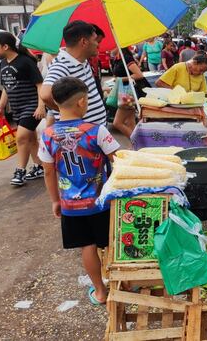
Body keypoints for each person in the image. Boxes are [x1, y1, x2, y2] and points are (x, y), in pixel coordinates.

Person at [39, 76, 120, 305]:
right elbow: (119, 160)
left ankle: (100, 291)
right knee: (111, 241)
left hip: (71, 206)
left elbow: (48, 171)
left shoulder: (47, 135)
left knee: (88, 246)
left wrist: (56, 201)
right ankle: (121, 283)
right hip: (101, 201)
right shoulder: (97, 131)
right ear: (82, 102)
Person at [0, 32, 46, 186]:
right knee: (31, 138)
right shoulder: (2, 64)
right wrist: (1, 107)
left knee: (21, 137)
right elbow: (5, 88)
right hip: (17, 107)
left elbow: (39, 85)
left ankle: (20, 171)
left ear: (5, 46)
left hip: (32, 106)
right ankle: (39, 166)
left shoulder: (25, 62)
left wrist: (41, 106)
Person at [40, 20, 107, 127]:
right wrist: (69, 113)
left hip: (94, 131)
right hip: (81, 135)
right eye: (95, 40)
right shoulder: (62, 64)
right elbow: (45, 94)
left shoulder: (82, 60)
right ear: (84, 42)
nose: (97, 45)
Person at [111, 47, 150, 138]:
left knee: (117, 123)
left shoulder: (126, 58)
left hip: (128, 94)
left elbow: (139, 75)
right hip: (125, 93)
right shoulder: (118, 59)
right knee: (130, 122)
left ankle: (137, 142)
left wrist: (120, 79)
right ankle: (135, 146)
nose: (109, 49)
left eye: (112, 47)